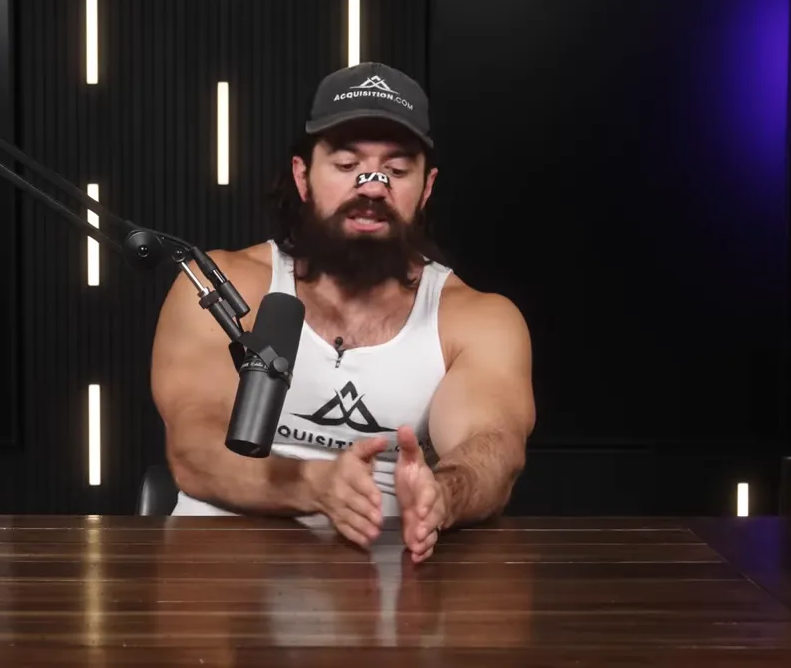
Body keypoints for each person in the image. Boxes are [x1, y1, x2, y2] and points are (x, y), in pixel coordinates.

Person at [149, 61, 535, 563]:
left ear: (426, 188)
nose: (372, 187)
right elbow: (194, 449)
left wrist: (444, 496)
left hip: (384, 576)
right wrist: (314, 485)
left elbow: (493, 447)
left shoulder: (477, 319)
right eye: (347, 165)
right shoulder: (220, 287)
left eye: (397, 171)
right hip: (220, 572)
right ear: (303, 176)